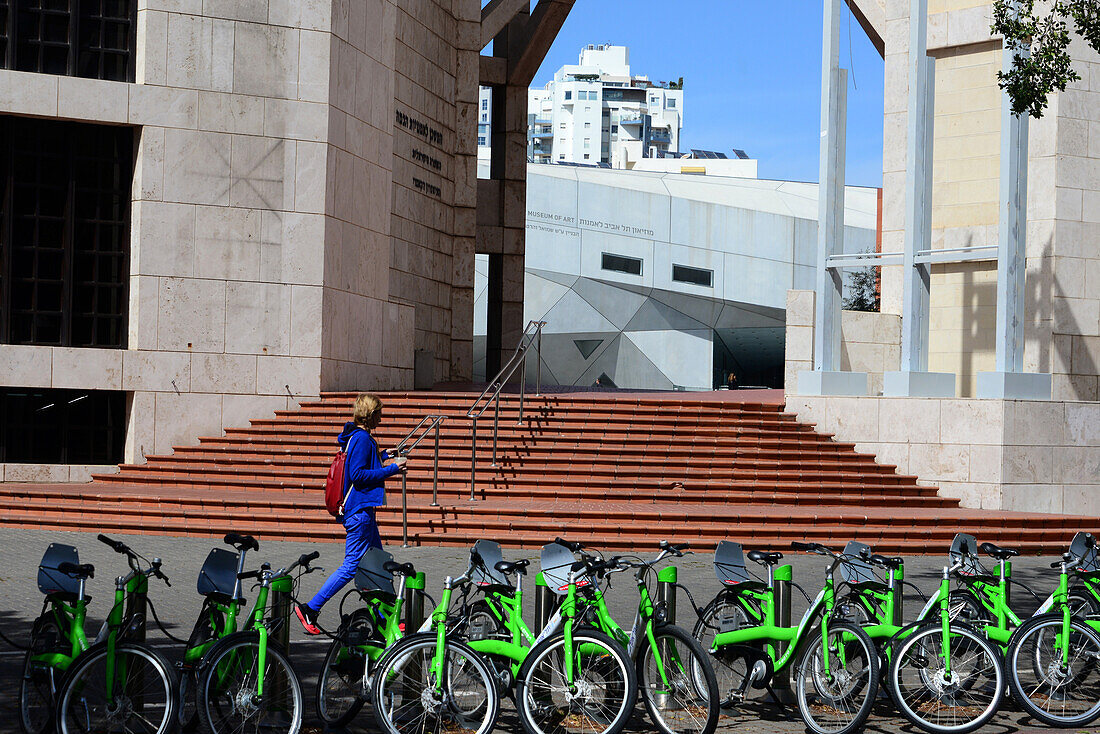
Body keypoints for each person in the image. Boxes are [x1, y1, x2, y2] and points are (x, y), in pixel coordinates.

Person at [295, 393, 406, 634]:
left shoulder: (357, 436)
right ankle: (310, 608)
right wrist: (391, 470)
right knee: (352, 565)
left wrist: (384, 455)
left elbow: (361, 462)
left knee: (379, 563)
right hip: (359, 513)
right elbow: (358, 474)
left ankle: (385, 616)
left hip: (362, 512)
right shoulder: (363, 438)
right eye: (379, 413)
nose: (382, 417)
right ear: (371, 414)